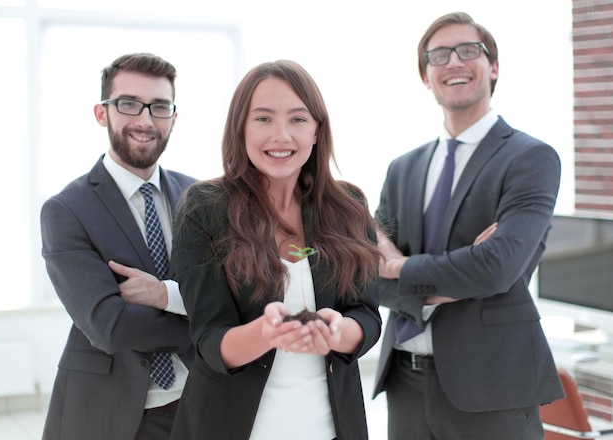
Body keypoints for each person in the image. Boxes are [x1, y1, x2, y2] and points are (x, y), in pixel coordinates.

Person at [372, 12, 565, 440]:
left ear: (493, 67)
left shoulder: (530, 159)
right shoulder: (402, 168)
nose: (454, 61)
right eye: (438, 55)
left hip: (492, 384)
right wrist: (460, 271)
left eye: (469, 51)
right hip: (404, 380)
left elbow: (497, 268)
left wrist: (401, 268)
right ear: (426, 75)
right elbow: (368, 275)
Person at [169, 59, 382, 440]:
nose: (281, 135)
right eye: (263, 119)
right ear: (240, 129)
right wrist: (268, 332)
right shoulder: (204, 207)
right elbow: (210, 341)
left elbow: (366, 316)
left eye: (298, 120)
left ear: (317, 131)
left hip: (330, 429)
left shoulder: (348, 206)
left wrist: (337, 333)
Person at [40, 53, 196, 439]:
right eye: (128, 104)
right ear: (101, 113)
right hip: (111, 416)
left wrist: (165, 296)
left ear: (174, 118)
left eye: (159, 107)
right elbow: (109, 327)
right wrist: (209, 326)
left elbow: (235, 295)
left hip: (201, 406)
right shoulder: (67, 210)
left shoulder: (201, 197)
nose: (144, 121)